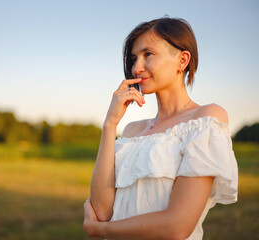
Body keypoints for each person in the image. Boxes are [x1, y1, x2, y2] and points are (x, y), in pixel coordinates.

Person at [83, 17, 238, 240]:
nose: (137, 68)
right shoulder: (131, 131)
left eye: (149, 54)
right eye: (134, 58)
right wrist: (110, 125)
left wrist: (102, 231)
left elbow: (177, 226)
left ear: (182, 60)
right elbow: (103, 211)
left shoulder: (206, 119)